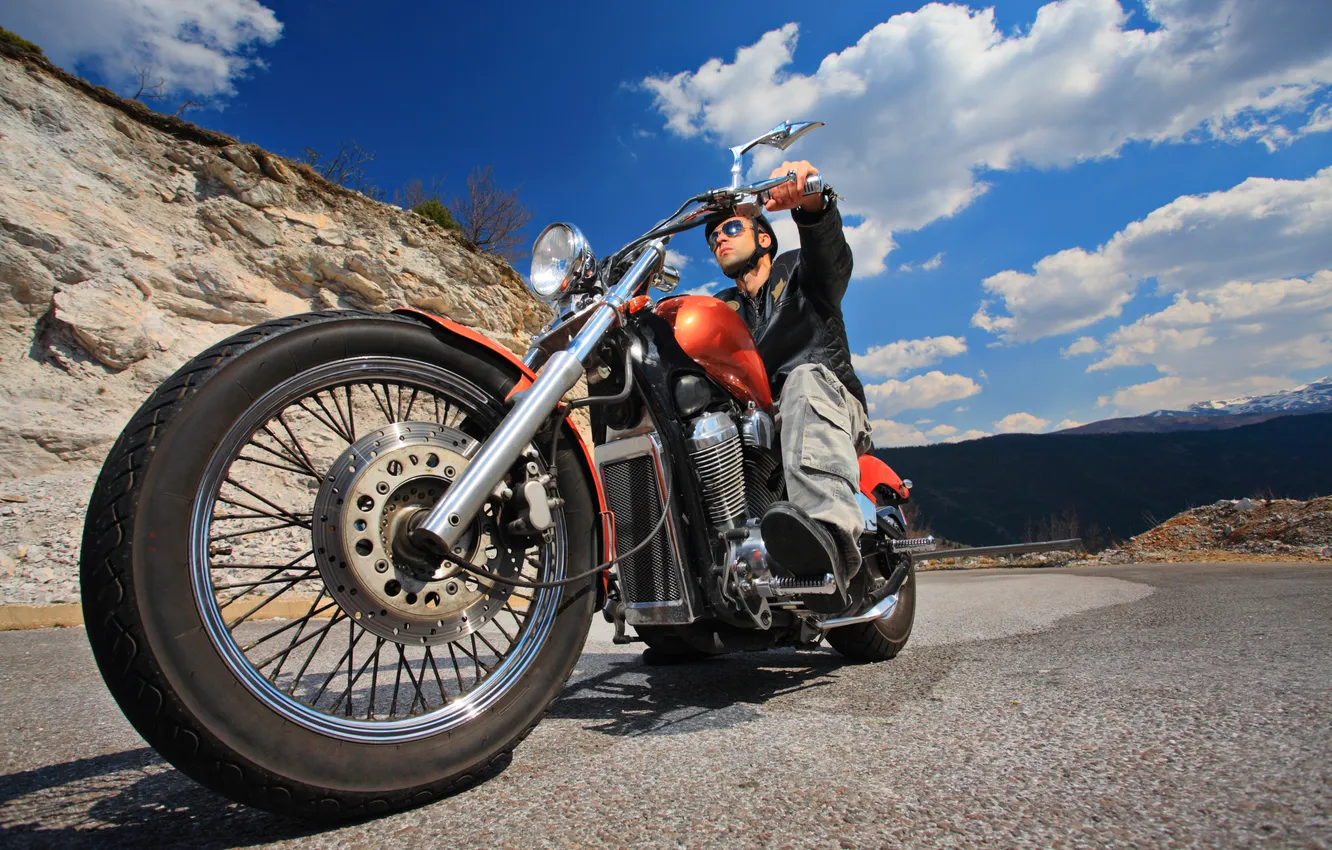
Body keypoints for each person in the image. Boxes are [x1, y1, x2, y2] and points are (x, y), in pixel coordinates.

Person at [705, 160, 870, 597]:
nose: (719, 237)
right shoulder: (721, 311)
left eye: (731, 229)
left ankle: (827, 538)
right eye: (713, 237)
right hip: (758, 428)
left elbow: (831, 259)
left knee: (801, 379)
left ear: (763, 237)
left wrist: (812, 200)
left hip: (829, 402)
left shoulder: (798, 270)